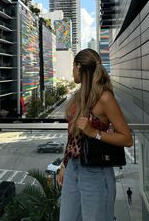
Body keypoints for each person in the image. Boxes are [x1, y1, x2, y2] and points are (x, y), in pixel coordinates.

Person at [57, 48, 133, 221]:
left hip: (96, 171)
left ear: (78, 67)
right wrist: (64, 165)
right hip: (73, 169)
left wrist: (94, 132)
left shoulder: (104, 98)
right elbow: (72, 137)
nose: (72, 72)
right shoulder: (77, 96)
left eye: (72, 67)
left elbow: (127, 139)